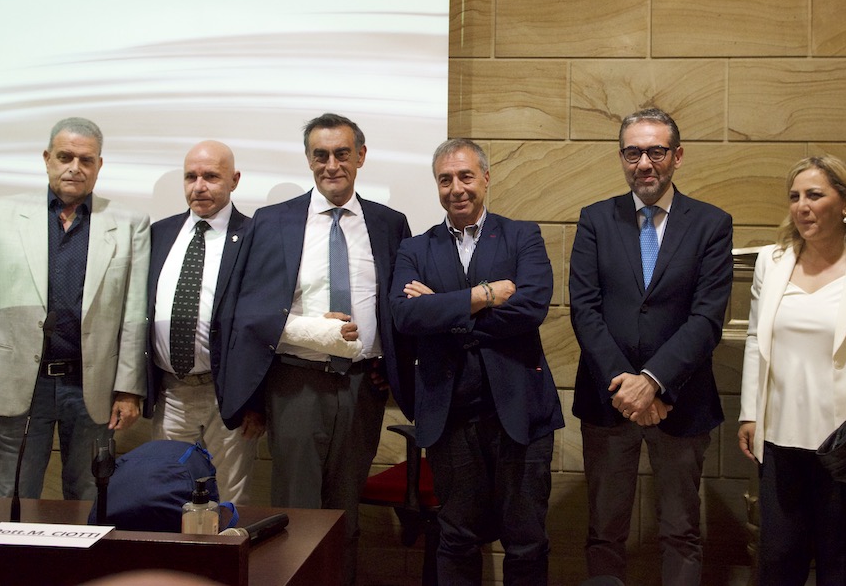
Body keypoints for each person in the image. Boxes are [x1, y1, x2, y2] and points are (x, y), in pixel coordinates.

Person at [216, 113, 410, 585]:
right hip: (296, 385)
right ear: (308, 159)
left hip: (362, 389)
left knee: (346, 514)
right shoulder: (272, 222)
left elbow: (397, 305)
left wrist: (389, 365)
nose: (331, 165)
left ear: (360, 156)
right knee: (297, 513)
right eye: (320, 155)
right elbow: (248, 310)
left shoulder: (389, 223)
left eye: (342, 154)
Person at [569, 107, 733, 586]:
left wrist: (654, 383)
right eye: (633, 152)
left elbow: (706, 319)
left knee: (681, 532)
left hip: (681, 402)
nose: (644, 163)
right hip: (609, 400)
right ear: (622, 158)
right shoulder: (595, 219)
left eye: (656, 151)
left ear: (677, 156)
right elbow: (584, 309)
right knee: (604, 531)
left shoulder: (711, 223)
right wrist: (627, 387)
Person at [390, 138, 563, 585]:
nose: (456, 188)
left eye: (466, 176)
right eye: (445, 179)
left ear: (485, 178)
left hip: (520, 415)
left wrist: (443, 312)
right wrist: (483, 295)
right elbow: (405, 316)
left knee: (526, 542)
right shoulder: (415, 249)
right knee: (457, 540)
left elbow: (530, 309)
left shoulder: (523, 235)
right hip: (450, 419)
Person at [0, 116, 149, 500]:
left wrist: (129, 390)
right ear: (47, 159)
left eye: (86, 160)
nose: (75, 167)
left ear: (99, 165)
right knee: (12, 496)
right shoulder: (2, 214)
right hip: (19, 383)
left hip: (91, 385)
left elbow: (134, 315)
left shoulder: (130, 224)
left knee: (89, 500)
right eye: (65, 157)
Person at [737, 156, 846, 585]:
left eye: (814, 195)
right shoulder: (773, 260)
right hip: (780, 434)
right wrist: (750, 412)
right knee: (779, 557)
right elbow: (755, 338)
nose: (802, 206)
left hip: (845, 437)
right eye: (795, 196)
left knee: (842, 560)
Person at [144, 140, 261, 504]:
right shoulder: (159, 233)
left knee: (229, 501)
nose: (199, 186)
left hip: (227, 396)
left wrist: (256, 401)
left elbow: (262, 327)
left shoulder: (256, 237)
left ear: (234, 180)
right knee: (167, 495)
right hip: (170, 392)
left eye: (211, 176)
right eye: (190, 177)